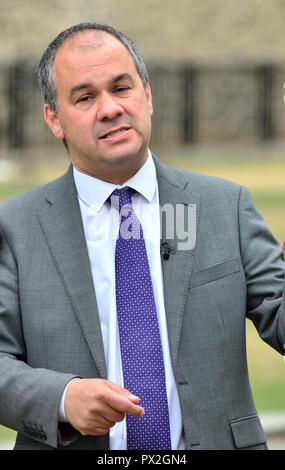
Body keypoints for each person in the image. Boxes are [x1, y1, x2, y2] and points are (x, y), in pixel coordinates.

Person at [0, 22, 285, 451]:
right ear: (54, 119)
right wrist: (61, 398)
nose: (110, 108)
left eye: (122, 88)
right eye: (85, 97)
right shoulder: (15, 227)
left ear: (147, 96)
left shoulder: (225, 207)